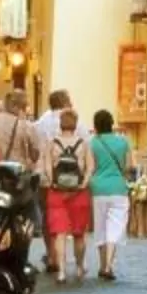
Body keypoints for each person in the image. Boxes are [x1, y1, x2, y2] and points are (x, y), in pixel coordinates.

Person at [41, 102, 94, 282]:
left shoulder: (52, 143)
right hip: (79, 193)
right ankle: (79, 266)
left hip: (56, 193)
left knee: (59, 233)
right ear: (76, 124)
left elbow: (47, 167)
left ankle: (62, 271)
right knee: (79, 235)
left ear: (60, 124)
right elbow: (90, 167)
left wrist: (52, 182)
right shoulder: (83, 144)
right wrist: (83, 184)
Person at [85, 107, 134, 282]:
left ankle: (102, 265)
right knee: (115, 226)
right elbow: (129, 166)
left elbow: (90, 168)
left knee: (100, 228)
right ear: (112, 124)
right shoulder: (123, 142)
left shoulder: (93, 143)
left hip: (98, 189)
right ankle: (108, 266)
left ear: (96, 125)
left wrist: (85, 183)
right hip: (118, 188)